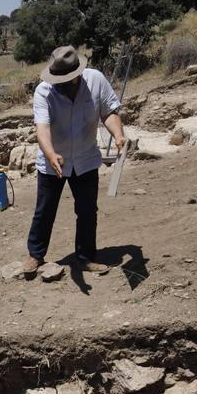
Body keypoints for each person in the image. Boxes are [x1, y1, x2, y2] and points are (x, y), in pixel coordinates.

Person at [24, 45, 126, 278]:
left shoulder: (96, 81)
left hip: (86, 158)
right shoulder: (44, 91)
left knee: (88, 210)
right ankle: (35, 254)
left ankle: (86, 257)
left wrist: (118, 135)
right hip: (53, 162)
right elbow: (42, 128)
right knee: (45, 210)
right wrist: (50, 154)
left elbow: (109, 112)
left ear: (77, 75)